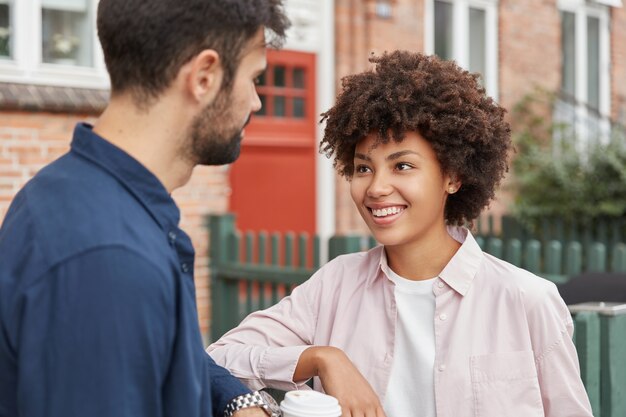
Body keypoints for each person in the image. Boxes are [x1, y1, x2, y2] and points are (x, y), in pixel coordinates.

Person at [207, 51, 594, 417]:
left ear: (453, 176)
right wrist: (320, 358)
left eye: (403, 166)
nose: (376, 188)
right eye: (363, 168)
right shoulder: (335, 286)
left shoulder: (526, 301)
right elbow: (220, 358)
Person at [0, 1, 289, 416]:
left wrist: (236, 399)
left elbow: (161, 355)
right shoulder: (109, 260)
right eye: (254, 78)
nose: (256, 102)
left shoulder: (71, 192)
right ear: (204, 77)